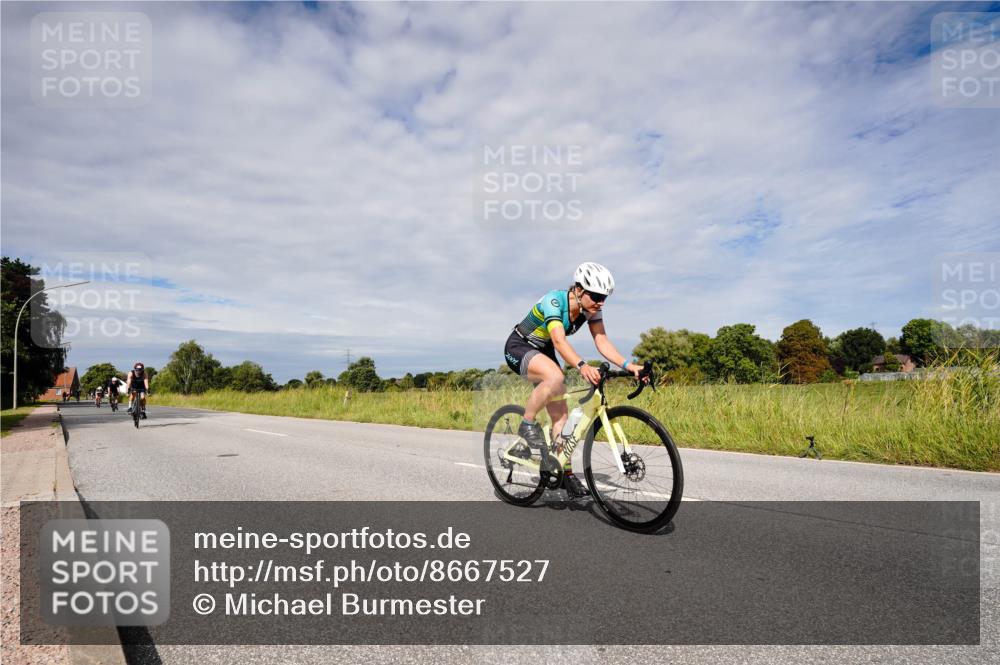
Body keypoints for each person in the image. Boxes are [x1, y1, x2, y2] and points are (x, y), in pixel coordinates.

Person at [504, 262, 641, 498]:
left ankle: (565, 473)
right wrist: (581, 365)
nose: (600, 302)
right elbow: (559, 341)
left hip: (543, 350)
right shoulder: (554, 301)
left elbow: (602, 341)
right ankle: (527, 423)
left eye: (604, 297)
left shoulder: (591, 309)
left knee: (562, 417)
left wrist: (629, 365)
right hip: (519, 346)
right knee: (555, 376)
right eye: (596, 296)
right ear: (579, 289)